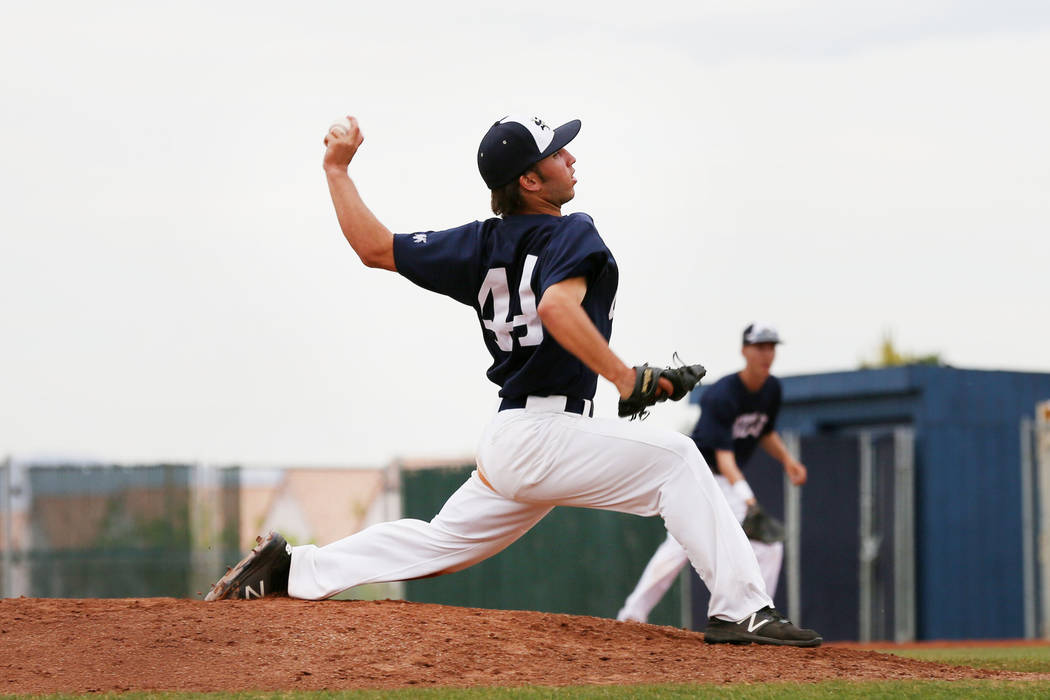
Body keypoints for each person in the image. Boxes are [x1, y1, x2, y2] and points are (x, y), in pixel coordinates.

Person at [204, 114, 821, 647]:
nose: (570, 156)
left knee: (440, 544)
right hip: (545, 435)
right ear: (530, 180)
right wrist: (626, 376)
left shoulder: (480, 244)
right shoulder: (572, 229)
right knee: (679, 461)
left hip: (515, 435)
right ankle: (743, 610)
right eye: (556, 152)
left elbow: (374, 247)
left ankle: (291, 570)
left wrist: (337, 171)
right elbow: (556, 308)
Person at [617, 322, 808, 624]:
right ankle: (634, 613)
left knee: (760, 546)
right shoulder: (723, 394)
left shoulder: (771, 389)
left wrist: (787, 460)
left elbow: (764, 430)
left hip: (723, 482)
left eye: (771, 347)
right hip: (698, 477)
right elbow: (724, 458)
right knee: (694, 547)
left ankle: (757, 617)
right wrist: (749, 501)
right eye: (760, 347)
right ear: (745, 351)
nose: (766, 354)